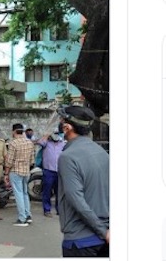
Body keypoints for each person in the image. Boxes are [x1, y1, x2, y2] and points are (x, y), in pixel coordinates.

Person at [56, 106, 109, 257]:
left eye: (61, 120)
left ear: (67, 128)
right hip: (104, 238)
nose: (59, 123)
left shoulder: (68, 157)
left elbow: (76, 200)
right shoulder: (101, 152)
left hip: (80, 241)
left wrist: (103, 231)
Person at [5, 123, 35, 227]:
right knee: (25, 193)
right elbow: (32, 160)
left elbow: (9, 161)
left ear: (14, 131)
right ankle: (28, 215)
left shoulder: (13, 143)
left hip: (15, 171)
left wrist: (6, 173)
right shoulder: (29, 142)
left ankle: (22, 218)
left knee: (18, 194)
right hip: (26, 171)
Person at [37, 129, 65, 217]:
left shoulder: (63, 143)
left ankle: (59, 209)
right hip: (48, 170)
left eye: (57, 134)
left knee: (59, 192)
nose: (56, 136)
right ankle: (47, 210)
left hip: (60, 170)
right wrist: (46, 135)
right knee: (47, 191)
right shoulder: (46, 143)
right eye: (54, 134)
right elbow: (39, 142)